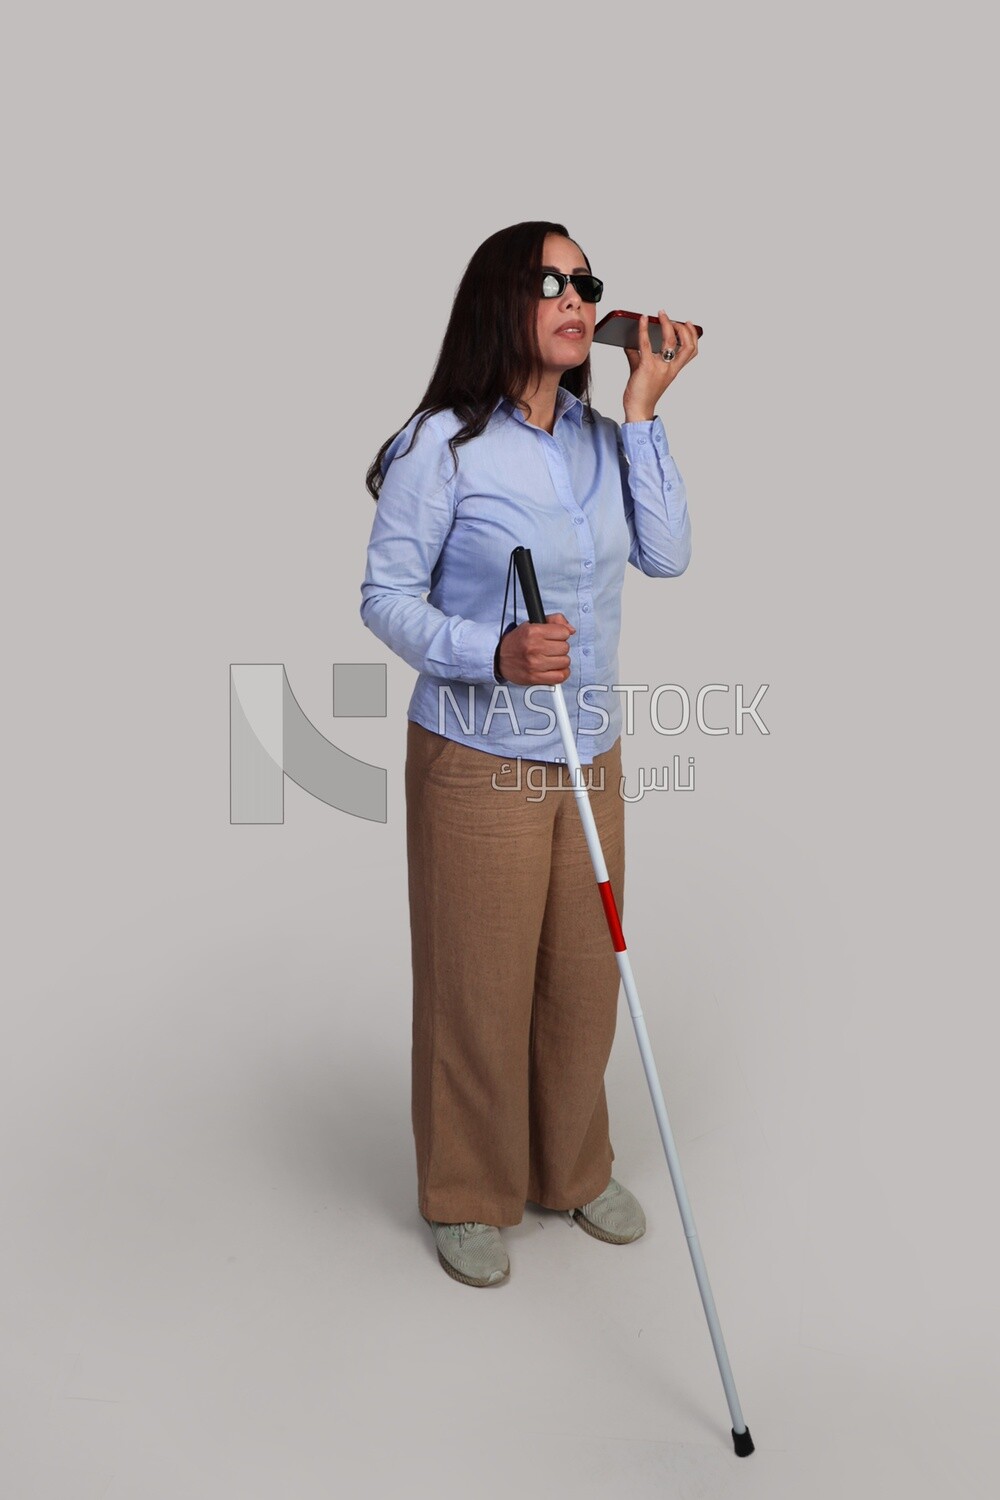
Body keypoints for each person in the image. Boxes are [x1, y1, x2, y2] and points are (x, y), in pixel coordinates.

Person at [360, 221, 698, 1287]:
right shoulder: (441, 447)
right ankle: (466, 1189)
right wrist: (492, 652)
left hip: (588, 747)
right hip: (476, 754)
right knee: (479, 983)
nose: (570, 294)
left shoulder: (603, 440)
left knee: (583, 976)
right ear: (498, 301)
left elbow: (669, 554)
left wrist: (643, 409)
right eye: (546, 279)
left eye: (582, 282)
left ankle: (572, 1166)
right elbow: (383, 601)